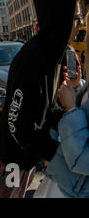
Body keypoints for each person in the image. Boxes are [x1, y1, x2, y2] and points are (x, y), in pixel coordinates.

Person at [0, 0, 79, 198]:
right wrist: (53, 152)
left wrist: (70, 98)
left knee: (17, 194)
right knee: (5, 196)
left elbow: (46, 105)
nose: (80, 23)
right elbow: (17, 122)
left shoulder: (53, 53)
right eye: (75, 17)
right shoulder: (34, 56)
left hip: (28, 155)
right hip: (14, 157)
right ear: (60, 18)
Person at [33, 10, 89, 198]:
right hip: (65, 182)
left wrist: (71, 108)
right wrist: (78, 86)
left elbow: (83, 161)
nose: (82, 38)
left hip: (74, 188)